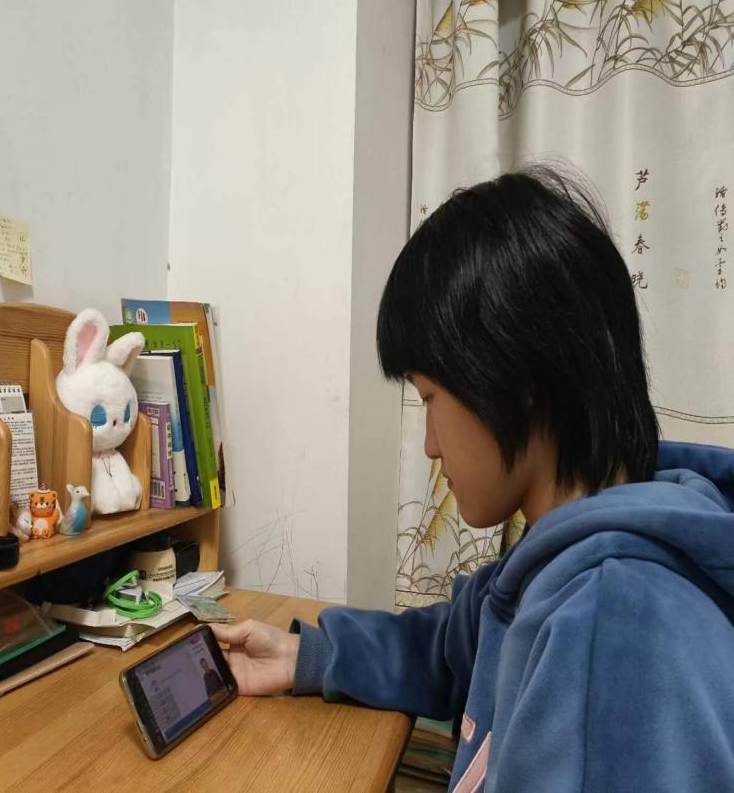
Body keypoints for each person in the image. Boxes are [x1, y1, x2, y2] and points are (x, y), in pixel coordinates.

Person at [212, 167, 734, 792]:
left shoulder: (613, 627)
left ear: (517, 380)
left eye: (430, 398)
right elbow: (455, 645)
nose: (430, 445)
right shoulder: (563, 551)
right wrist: (306, 655)